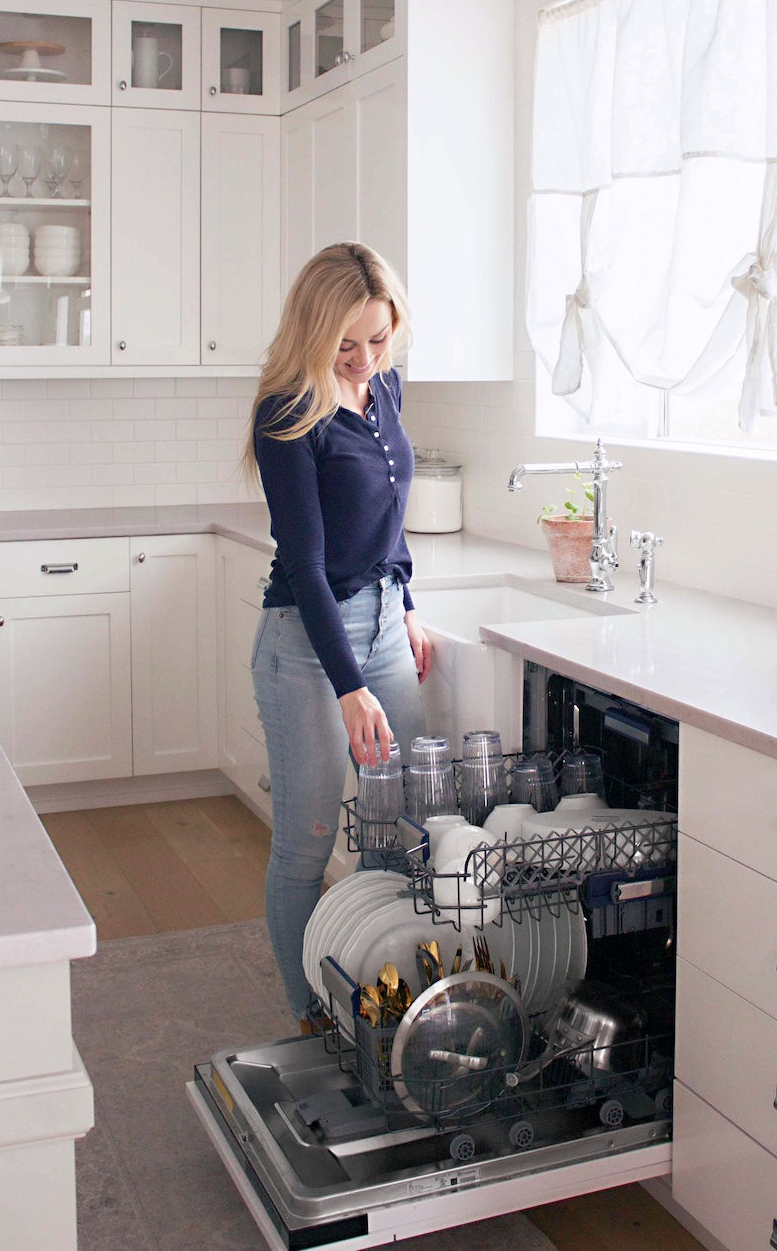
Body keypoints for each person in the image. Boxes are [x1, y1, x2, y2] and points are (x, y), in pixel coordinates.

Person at [244, 241, 431, 1028]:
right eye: (345, 344)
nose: (362, 359)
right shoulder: (288, 411)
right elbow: (307, 564)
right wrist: (350, 686)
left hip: (385, 624)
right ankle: (310, 1021)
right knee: (307, 846)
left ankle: (381, 1017)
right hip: (308, 645)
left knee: (397, 833)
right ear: (314, 331)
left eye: (378, 339)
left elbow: (389, 503)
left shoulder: (382, 388)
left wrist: (408, 597)